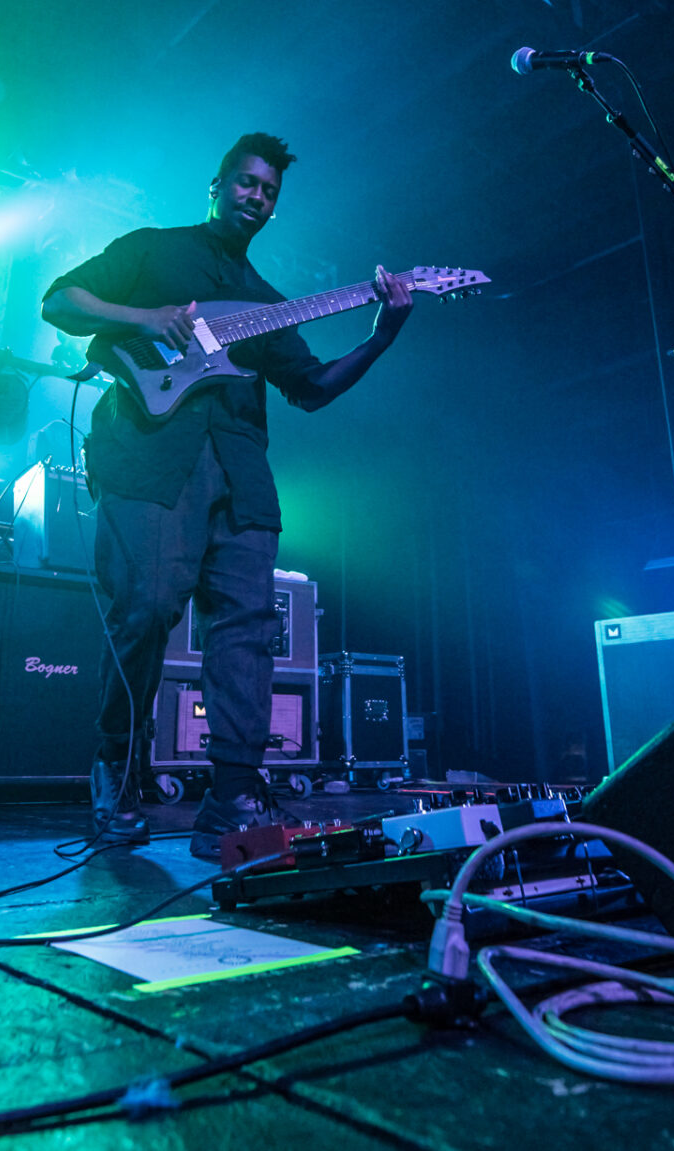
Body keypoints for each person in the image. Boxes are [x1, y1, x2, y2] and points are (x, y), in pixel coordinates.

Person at [41, 132, 413, 857]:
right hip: (150, 458)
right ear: (217, 185)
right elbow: (61, 299)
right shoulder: (154, 249)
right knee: (146, 607)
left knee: (248, 626)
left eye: (269, 191)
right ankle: (116, 768)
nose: (257, 196)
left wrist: (380, 338)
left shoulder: (267, 302)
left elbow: (311, 389)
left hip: (241, 474)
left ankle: (233, 797)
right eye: (246, 182)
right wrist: (146, 318)